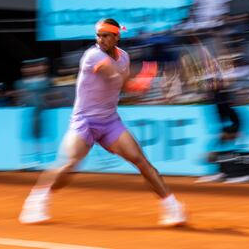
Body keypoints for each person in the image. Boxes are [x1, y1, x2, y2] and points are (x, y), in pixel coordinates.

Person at [19, 18, 187, 227]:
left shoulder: (124, 57)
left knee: (141, 161)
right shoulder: (92, 56)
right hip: (85, 122)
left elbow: (125, 87)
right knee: (68, 164)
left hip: (109, 122)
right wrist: (144, 78)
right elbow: (115, 76)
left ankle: (172, 207)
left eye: (106, 35)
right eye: (98, 35)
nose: (101, 39)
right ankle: (36, 200)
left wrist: (146, 86)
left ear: (117, 36)